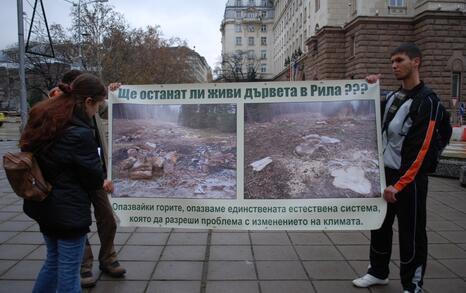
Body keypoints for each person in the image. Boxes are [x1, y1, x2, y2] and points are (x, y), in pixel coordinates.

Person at [352, 43, 452, 293]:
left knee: (412, 234)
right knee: (379, 227)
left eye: (399, 60)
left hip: (410, 181)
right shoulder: (394, 97)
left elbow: (422, 150)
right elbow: (371, 119)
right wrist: (369, 87)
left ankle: (413, 284)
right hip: (386, 175)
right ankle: (377, 272)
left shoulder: (427, 101)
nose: (394, 65)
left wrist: (399, 184)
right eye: (392, 62)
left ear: (416, 62)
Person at [20, 73, 113, 293]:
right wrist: (104, 181)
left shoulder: (44, 116)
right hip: (68, 211)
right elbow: (91, 177)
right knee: (69, 272)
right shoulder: (80, 133)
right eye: (97, 106)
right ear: (88, 102)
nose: (95, 113)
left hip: (43, 205)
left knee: (52, 262)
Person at [50, 70, 126, 287]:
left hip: (97, 174)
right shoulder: (60, 112)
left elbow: (108, 112)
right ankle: (84, 267)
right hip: (76, 179)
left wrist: (114, 94)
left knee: (107, 219)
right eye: (96, 103)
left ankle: (108, 259)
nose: (96, 110)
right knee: (78, 224)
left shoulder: (89, 106)